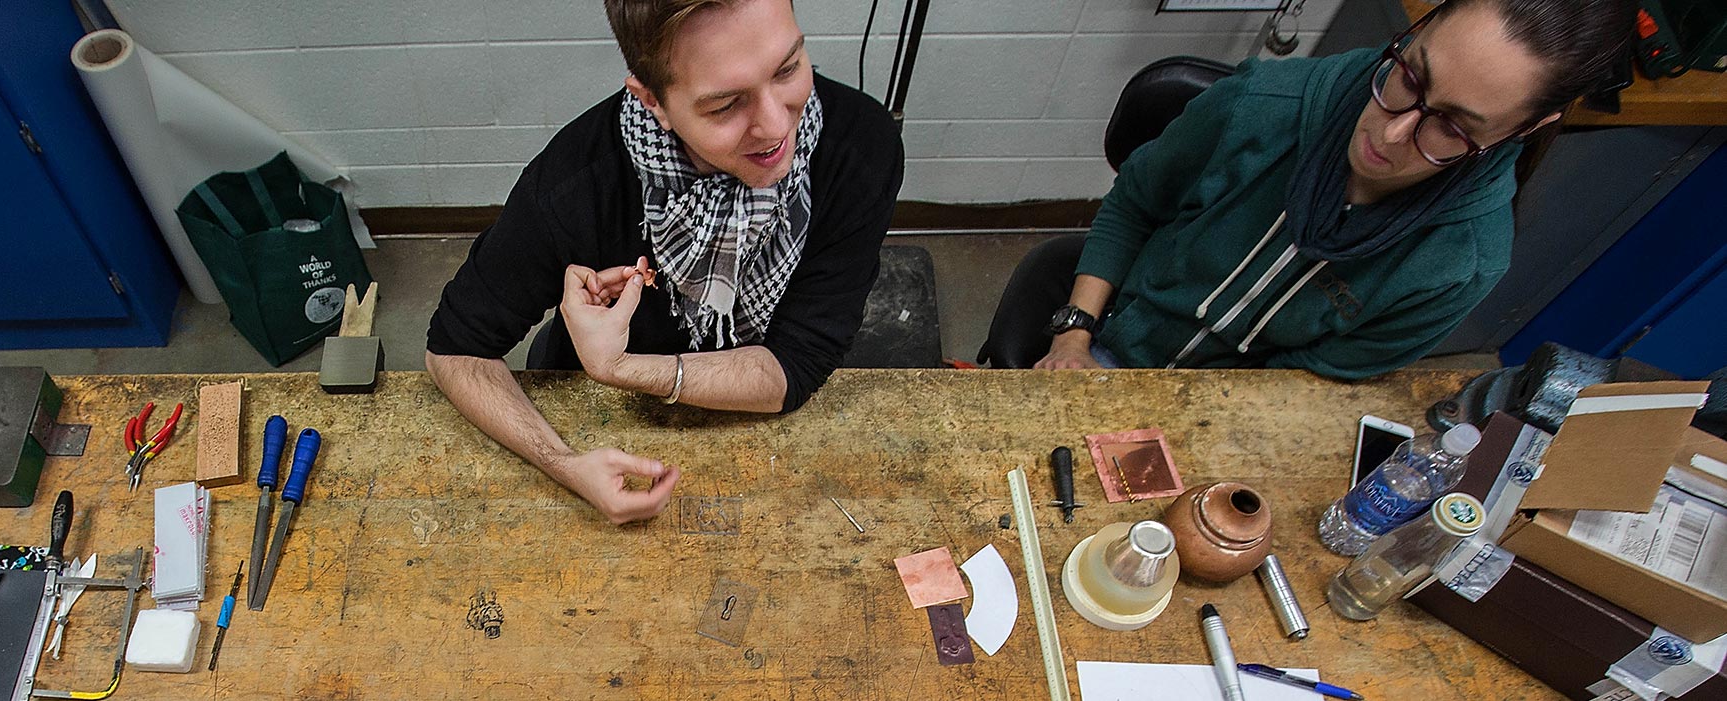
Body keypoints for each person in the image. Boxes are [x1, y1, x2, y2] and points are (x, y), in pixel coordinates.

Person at [425, 0, 903, 524]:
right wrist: (564, 463)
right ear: (653, 101)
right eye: (725, 105)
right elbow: (455, 351)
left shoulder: (861, 144)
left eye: (787, 69)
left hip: (763, 432)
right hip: (601, 422)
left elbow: (798, 361)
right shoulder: (576, 182)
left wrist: (620, 367)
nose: (774, 127)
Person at [981, 0, 1634, 377]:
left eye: (1452, 127)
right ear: (1423, 25)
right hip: (1114, 339)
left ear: (1528, 128)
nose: (1392, 130)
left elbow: (1312, 385)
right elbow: (1133, 204)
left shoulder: (1461, 263)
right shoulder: (1261, 105)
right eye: (1409, 75)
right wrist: (1072, 338)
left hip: (1222, 408)